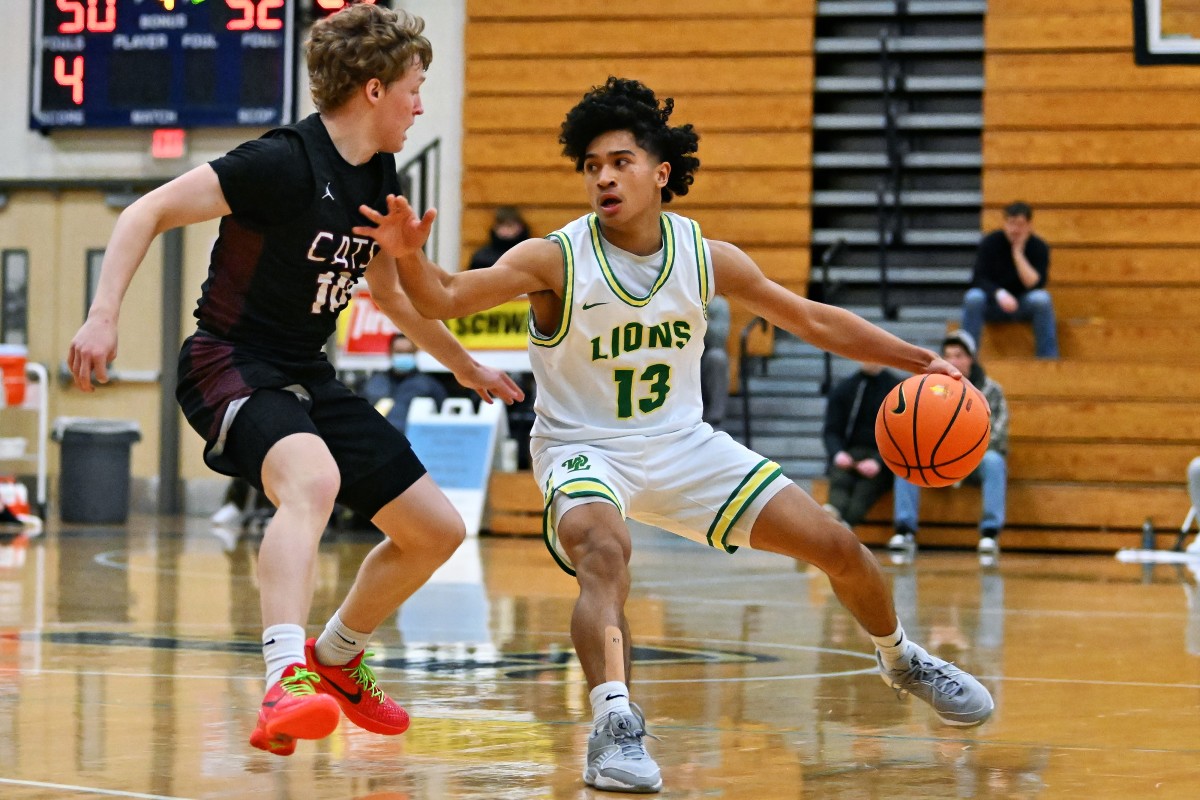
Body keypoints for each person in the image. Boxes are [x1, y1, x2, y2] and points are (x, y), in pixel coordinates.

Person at [354, 76, 994, 794]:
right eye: (592, 165)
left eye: (620, 161)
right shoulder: (553, 259)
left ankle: (902, 658)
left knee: (839, 548)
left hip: (685, 445)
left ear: (661, 173)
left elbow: (810, 319)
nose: (603, 177)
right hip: (583, 448)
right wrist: (409, 253)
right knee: (604, 549)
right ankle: (614, 724)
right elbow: (442, 297)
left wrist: (919, 359)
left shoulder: (704, 256)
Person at [67, 4, 522, 757]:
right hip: (229, 361)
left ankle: (337, 658)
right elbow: (144, 212)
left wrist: (465, 364)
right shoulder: (280, 162)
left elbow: (391, 293)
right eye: (414, 86)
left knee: (434, 530)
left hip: (306, 371)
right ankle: (284, 677)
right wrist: (103, 313)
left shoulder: (379, 173)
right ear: (373, 89)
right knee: (310, 481)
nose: (419, 102)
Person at [889, 330, 1009, 559]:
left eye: (959, 355)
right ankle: (904, 531)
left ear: (971, 359)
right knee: (905, 458)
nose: (953, 360)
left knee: (995, 462)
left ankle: (990, 534)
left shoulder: (992, 390)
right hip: (937, 454)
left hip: (976, 456)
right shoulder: (930, 388)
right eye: (947, 356)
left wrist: (962, 450)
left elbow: (999, 433)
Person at [961, 201, 1058, 359]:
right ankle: (965, 358)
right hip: (993, 302)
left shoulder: (1039, 247)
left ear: (1029, 225)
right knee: (973, 297)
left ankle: (1048, 360)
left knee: (1042, 299)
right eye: (1011, 223)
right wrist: (999, 294)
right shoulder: (990, 243)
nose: (1014, 230)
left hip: (1023, 304)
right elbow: (978, 278)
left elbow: (1035, 284)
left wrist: (1018, 253)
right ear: (1004, 223)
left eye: (1020, 224)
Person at [822, 362, 903, 529]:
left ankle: (841, 526)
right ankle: (833, 516)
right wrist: (838, 453)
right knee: (840, 479)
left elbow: (903, 437)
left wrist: (879, 462)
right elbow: (831, 431)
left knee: (864, 490)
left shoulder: (897, 391)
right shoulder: (845, 388)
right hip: (850, 453)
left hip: (882, 459)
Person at [361, 331, 448, 431]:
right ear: (390, 352)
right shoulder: (372, 383)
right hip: (375, 441)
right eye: (399, 352)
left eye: (408, 352)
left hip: (414, 442)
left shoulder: (430, 386)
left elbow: (442, 420)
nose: (403, 356)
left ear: (415, 352)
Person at [700, 293, 730, 426]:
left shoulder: (718, 304)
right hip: (679, 356)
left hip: (704, 358)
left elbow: (719, 338)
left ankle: (714, 421)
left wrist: (699, 317)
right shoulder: (673, 298)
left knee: (717, 358)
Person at [468, 205, 531, 270]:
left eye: (510, 226)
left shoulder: (530, 255)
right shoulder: (481, 258)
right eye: (500, 226)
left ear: (520, 227)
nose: (505, 230)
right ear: (495, 227)